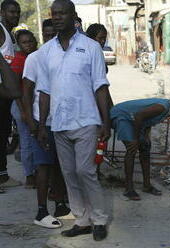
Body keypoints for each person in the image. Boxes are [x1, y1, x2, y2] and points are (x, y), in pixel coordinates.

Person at [37, 0, 113, 240]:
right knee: (69, 173)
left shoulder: (90, 47)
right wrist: (41, 126)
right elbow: (45, 91)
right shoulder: (46, 51)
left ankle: (99, 219)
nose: (57, 17)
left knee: (85, 171)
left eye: (62, 13)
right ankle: (82, 219)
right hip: (59, 123)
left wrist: (106, 121)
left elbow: (100, 87)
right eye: (54, 14)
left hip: (86, 120)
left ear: (74, 16)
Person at [22, 20, 71, 229]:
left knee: (59, 166)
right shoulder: (35, 58)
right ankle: (41, 211)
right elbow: (26, 92)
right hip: (41, 122)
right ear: (43, 34)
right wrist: (31, 123)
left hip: (61, 121)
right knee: (43, 166)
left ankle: (60, 205)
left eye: (55, 34)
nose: (52, 37)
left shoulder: (64, 56)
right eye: (48, 34)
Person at [110, 90, 170, 200]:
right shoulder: (163, 107)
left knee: (145, 148)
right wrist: (136, 138)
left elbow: (148, 121)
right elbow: (139, 116)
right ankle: (129, 189)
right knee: (132, 149)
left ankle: (147, 186)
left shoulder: (167, 111)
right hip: (123, 116)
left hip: (134, 120)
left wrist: (146, 137)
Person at [10, 30, 37, 188]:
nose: (28, 45)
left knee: (36, 141)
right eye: (24, 42)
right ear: (19, 45)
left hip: (35, 104)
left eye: (30, 41)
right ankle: (29, 175)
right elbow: (17, 91)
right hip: (22, 106)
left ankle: (39, 172)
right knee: (26, 142)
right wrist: (24, 112)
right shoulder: (19, 60)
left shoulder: (36, 57)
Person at [0, 0, 22, 189]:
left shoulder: (10, 34)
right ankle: (2, 176)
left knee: (4, 132)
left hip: (7, 90)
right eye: (11, 12)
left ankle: (2, 174)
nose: (15, 15)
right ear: (2, 12)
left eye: (17, 12)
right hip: (2, 89)